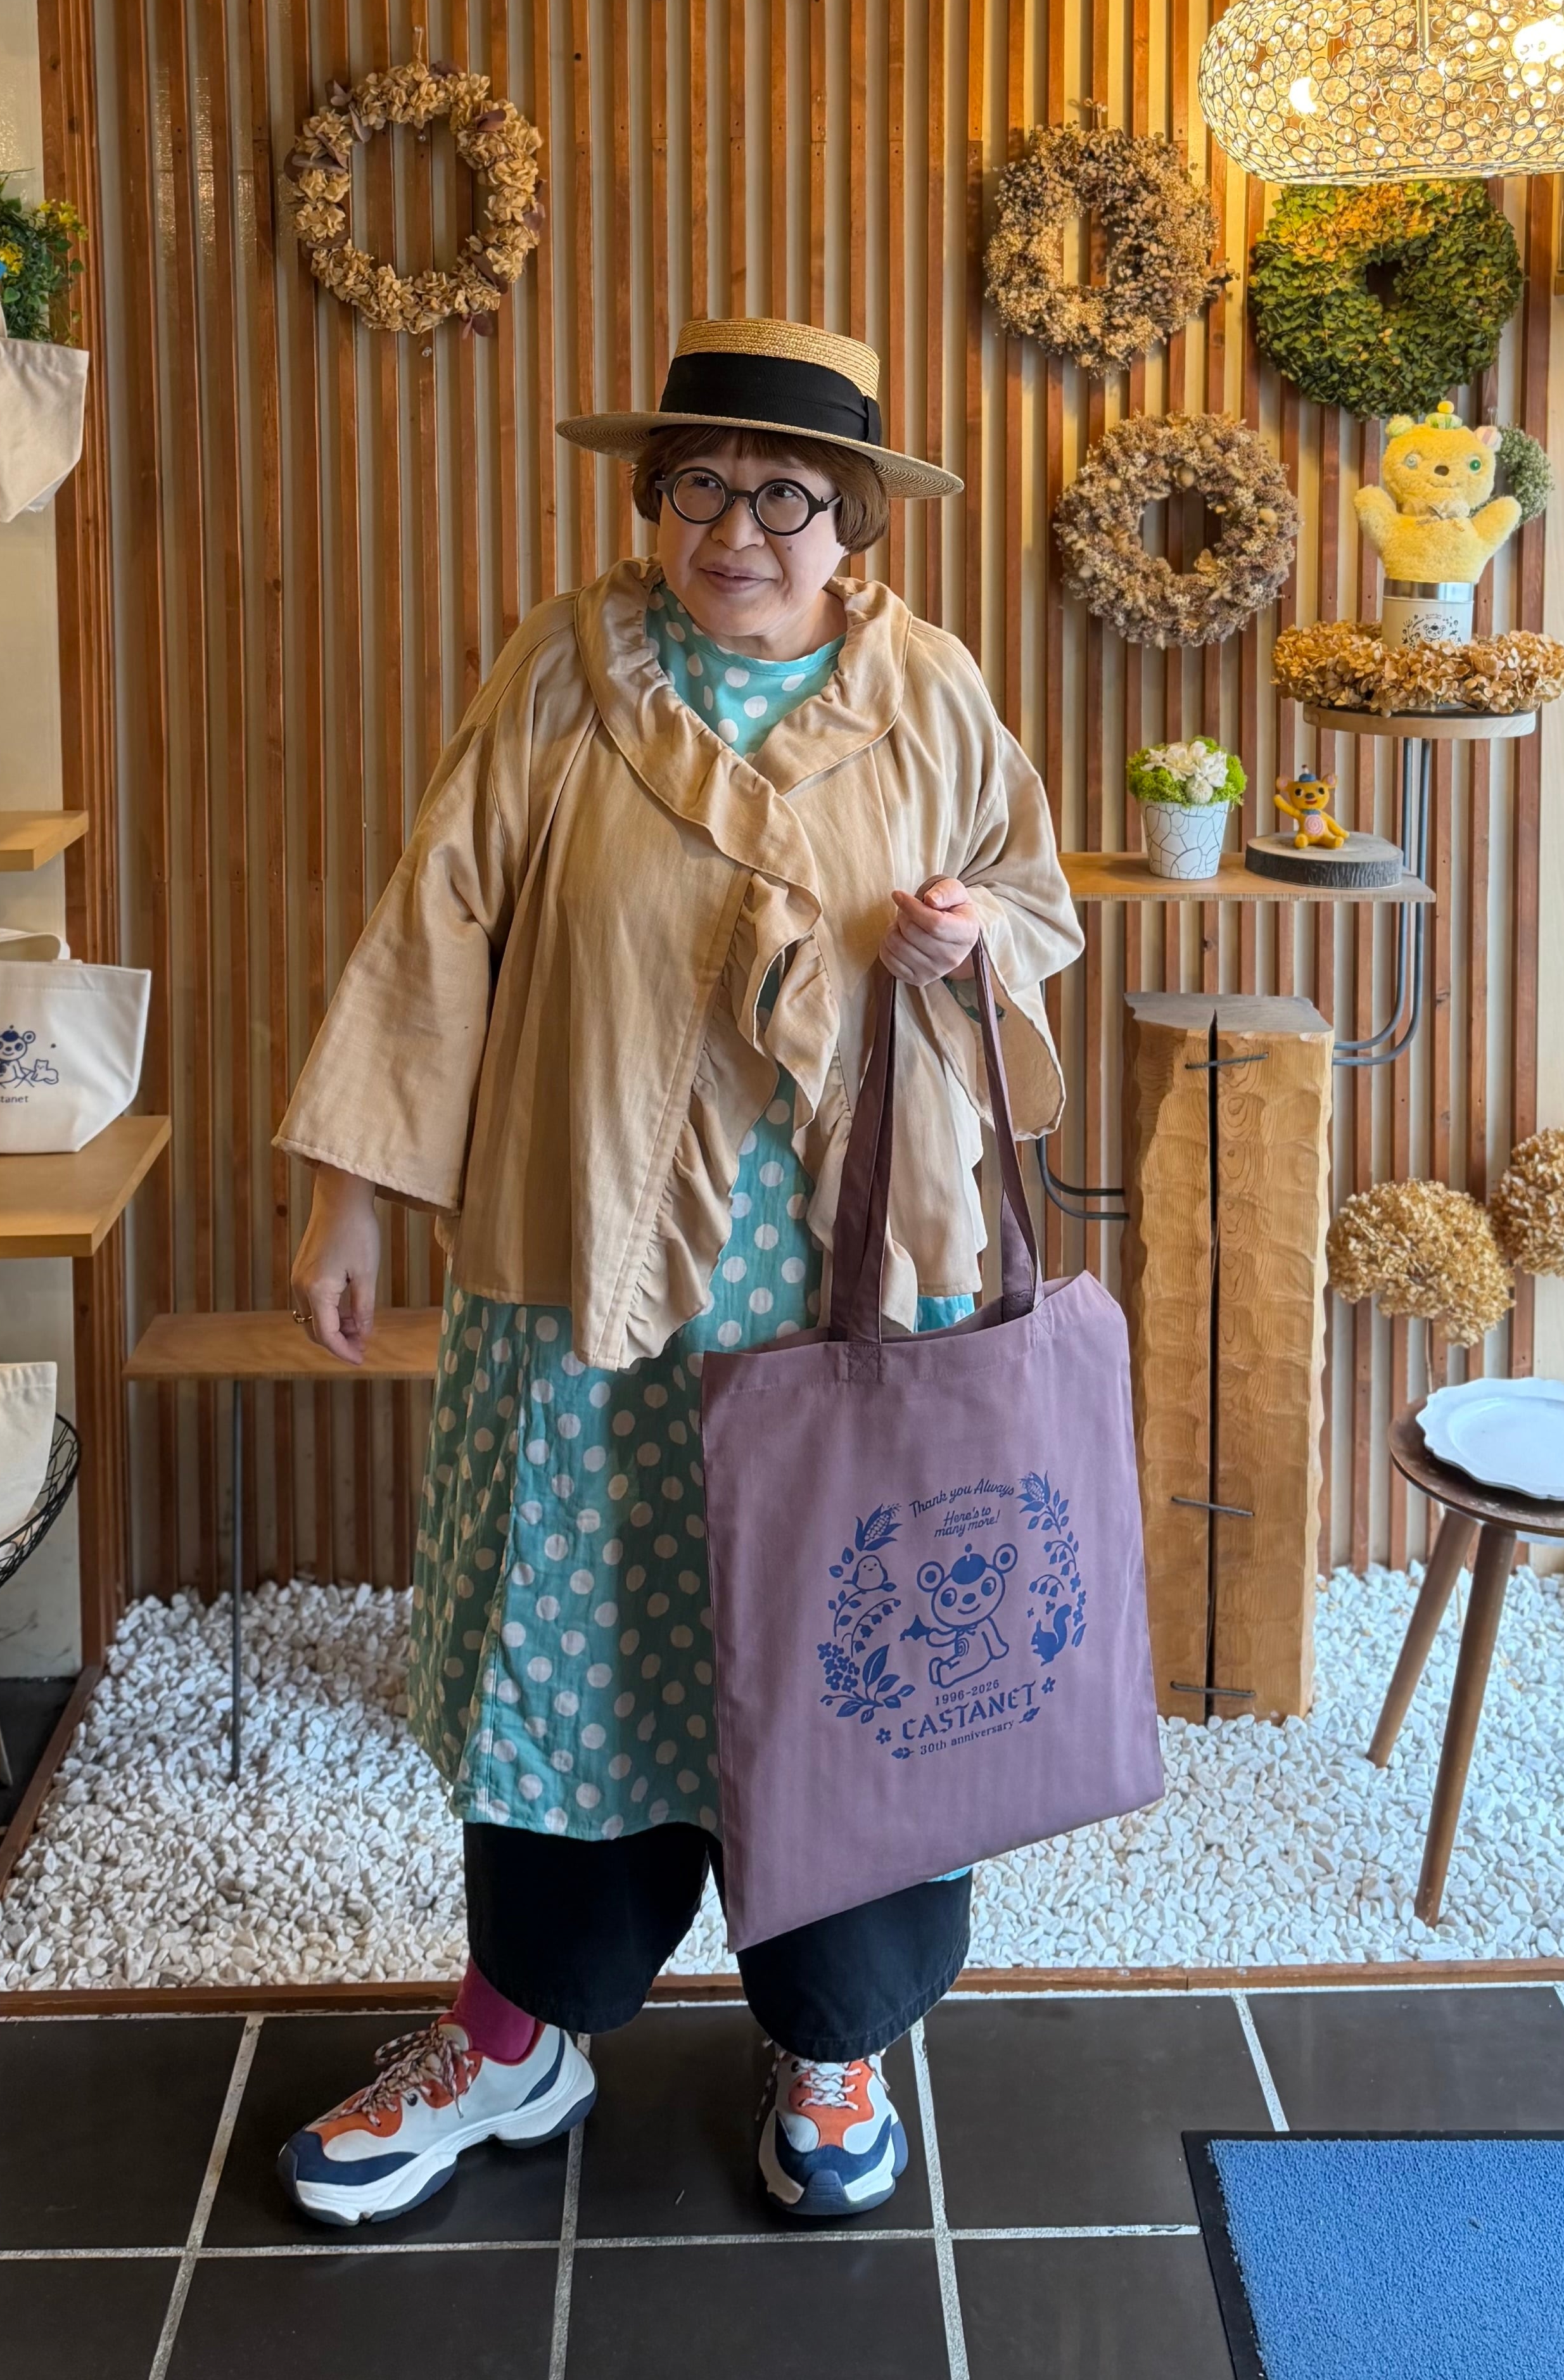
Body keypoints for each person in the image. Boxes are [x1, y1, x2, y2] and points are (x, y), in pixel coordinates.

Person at [274, 317, 1082, 2226]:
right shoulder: (566, 670)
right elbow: (438, 917)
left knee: (855, 1657)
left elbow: (1033, 900)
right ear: (651, 501)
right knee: (575, 1653)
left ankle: (834, 2035)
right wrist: (351, 1197)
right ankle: (515, 2027)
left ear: (855, 519)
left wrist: (970, 938)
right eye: (699, 486)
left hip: (849, 1289)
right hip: (588, 1274)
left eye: (785, 495)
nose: (737, 531)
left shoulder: (932, 687)